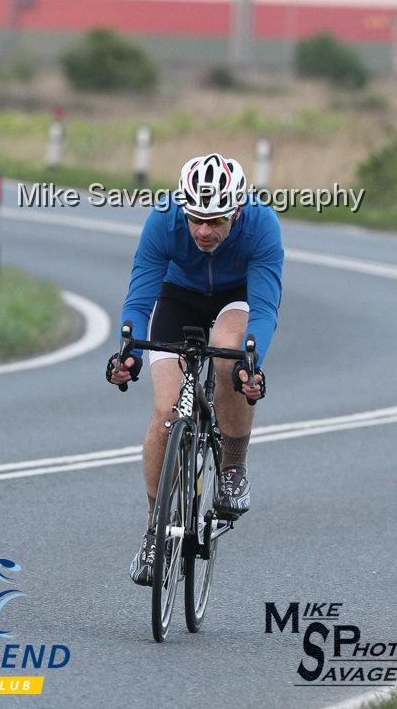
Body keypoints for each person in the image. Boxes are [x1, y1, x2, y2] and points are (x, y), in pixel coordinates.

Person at [106, 152, 284, 586]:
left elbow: (263, 307)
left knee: (228, 354)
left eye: (216, 220)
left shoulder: (261, 225)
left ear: (237, 210)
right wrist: (127, 351)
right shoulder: (164, 219)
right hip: (178, 295)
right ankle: (155, 532)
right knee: (166, 415)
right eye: (196, 219)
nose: (204, 230)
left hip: (235, 299)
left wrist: (249, 361)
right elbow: (141, 292)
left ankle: (232, 468)